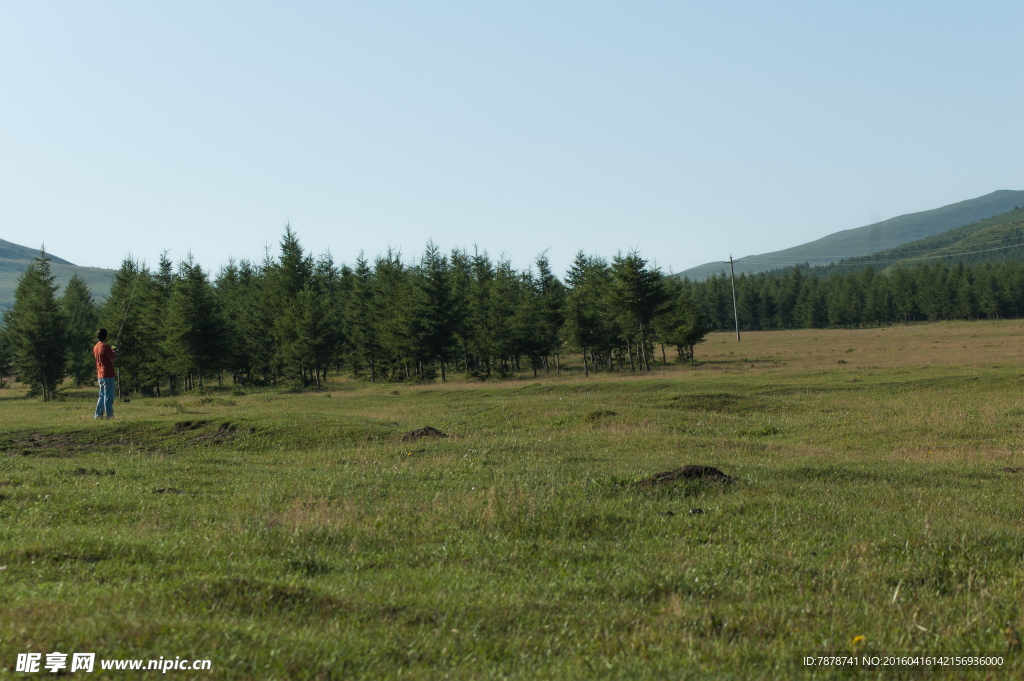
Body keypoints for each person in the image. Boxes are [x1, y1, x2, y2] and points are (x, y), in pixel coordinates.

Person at [93, 328, 117, 419]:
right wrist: (114, 352)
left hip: (100, 374)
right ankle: (109, 415)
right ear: (106, 336)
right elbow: (113, 360)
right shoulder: (106, 347)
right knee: (108, 397)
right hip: (108, 374)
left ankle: (98, 415)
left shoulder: (96, 347)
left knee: (102, 396)